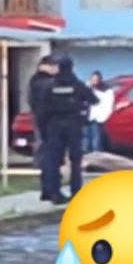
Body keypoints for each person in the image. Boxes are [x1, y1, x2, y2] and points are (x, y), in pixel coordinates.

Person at [38, 54, 98, 204]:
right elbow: (94, 99)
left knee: (54, 160)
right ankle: (75, 191)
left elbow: (42, 109)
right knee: (75, 161)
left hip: (54, 126)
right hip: (73, 126)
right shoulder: (77, 85)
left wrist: (43, 129)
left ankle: (55, 194)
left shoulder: (50, 86)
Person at [28, 56, 59, 170]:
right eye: (53, 66)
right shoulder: (42, 81)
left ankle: (44, 164)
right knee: (44, 140)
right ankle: (42, 164)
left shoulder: (37, 80)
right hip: (45, 115)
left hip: (42, 114)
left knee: (45, 141)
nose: (55, 69)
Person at [84, 71, 114, 153]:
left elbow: (109, 105)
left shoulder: (106, 90)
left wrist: (102, 117)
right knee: (85, 139)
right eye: (92, 80)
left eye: (96, 80)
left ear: (100, 80)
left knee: (96, 140)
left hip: (97, 118)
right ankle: (86, 155)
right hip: (86, 117)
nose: (94, 81)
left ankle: (96, 155)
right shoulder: (87, 87)